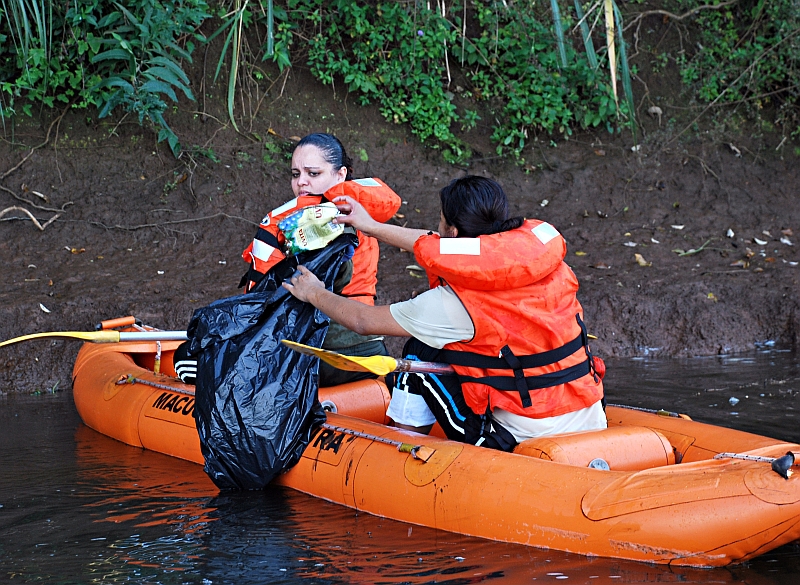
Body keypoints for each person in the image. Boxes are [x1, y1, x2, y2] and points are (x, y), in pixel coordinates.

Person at [283, 175, 606, 451]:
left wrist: (314, 292)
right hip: (589, 413)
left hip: (520, 435)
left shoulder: (450, 305)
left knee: (417, 356)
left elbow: (362, 321)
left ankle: (400, 441)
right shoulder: (549, 268)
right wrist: (369, 226)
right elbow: (441, 245)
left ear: (452, 230)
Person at [174, 133, 402, 386]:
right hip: (362, 341)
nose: (301, 183)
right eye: (296, 174)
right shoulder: (359, 216)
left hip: (327, 347)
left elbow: (281, 302)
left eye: (313, 174)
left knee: (188, 356)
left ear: (340, 175)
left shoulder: (326, 224)